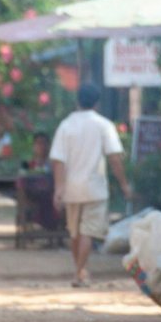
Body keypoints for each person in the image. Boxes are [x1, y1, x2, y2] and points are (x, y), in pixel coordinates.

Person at [50, 82, 130, 287]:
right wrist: (124, 184)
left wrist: (59, 188)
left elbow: (58, 160)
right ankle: (79, 272)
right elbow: (114, 158)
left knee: (74, 232)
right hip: (95, 187)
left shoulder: (66, 125)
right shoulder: (103, 125)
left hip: (71, 188)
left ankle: (80, 271)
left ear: (77, 101)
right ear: (97, 103)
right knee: (88, 232)